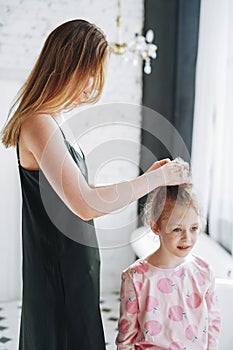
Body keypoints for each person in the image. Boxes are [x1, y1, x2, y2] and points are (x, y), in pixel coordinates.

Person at [1, 19, 190, 350]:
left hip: (74, 265)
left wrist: (149, 177)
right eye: (90, 71)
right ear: (68, 65)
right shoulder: (39, 124)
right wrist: (154, 179)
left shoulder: (54, 120)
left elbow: (81, 197)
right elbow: (85, 202)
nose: (91, 84)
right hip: (57, 270)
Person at [116, 185, 221, 349]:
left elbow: (213, 323)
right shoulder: (135, 276)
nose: (187, 238)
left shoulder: (204, 272)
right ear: (156, 227)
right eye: (177, 229)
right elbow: (126, 335)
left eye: (194, 228)